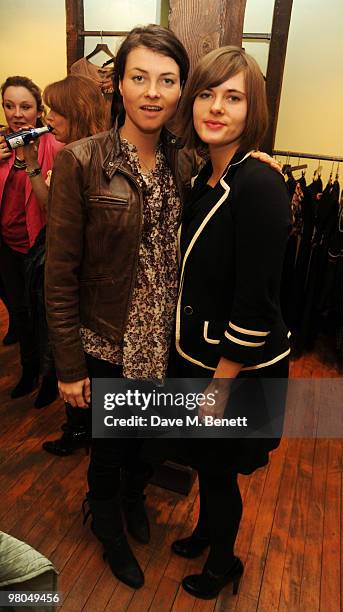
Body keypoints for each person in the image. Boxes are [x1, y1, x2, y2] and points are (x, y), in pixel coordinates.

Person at [45, 25, 281, 590]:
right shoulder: (82, 162)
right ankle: (105, 522)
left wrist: (261, 166)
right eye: (139, 77)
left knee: (145, 446)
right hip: (106, 338)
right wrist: (70, 366)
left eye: (168, 80)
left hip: (170, 343)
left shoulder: (187, 165)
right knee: (107, 447)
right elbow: (58, 276)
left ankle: (130, 502)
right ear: (117, 87)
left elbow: (233, 208)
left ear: (180, 91)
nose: (153, 92)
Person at [168, 46, 290, 600]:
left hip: (235, 370)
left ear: (253, 109)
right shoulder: (205, 177)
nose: (216, 107)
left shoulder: (259, 186)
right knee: (205, 459)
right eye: (207, 94)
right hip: (200, 359)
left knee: (219, 471)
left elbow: (255, 302)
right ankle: (204, 531)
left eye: (233, 97)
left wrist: (220, 386)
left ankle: (224, 561)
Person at [23, 75, 107, 440]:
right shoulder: (67, 153)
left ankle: (82, 427)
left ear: (77, 111)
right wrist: (29, 164)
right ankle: (77, 424)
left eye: (56, 111)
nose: (49, 118)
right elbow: (49, 206)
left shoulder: (90, 158)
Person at [0, 76, 62, 399]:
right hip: (8, 245)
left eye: (25, 106)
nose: (17, 113)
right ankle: (28, 370)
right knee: (20, 313)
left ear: (39, 110)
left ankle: (49, 379)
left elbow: (53, 206)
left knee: (46, 317)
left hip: (40, 247)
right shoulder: (2, 146)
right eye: (9, 105)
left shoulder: (54, 146)